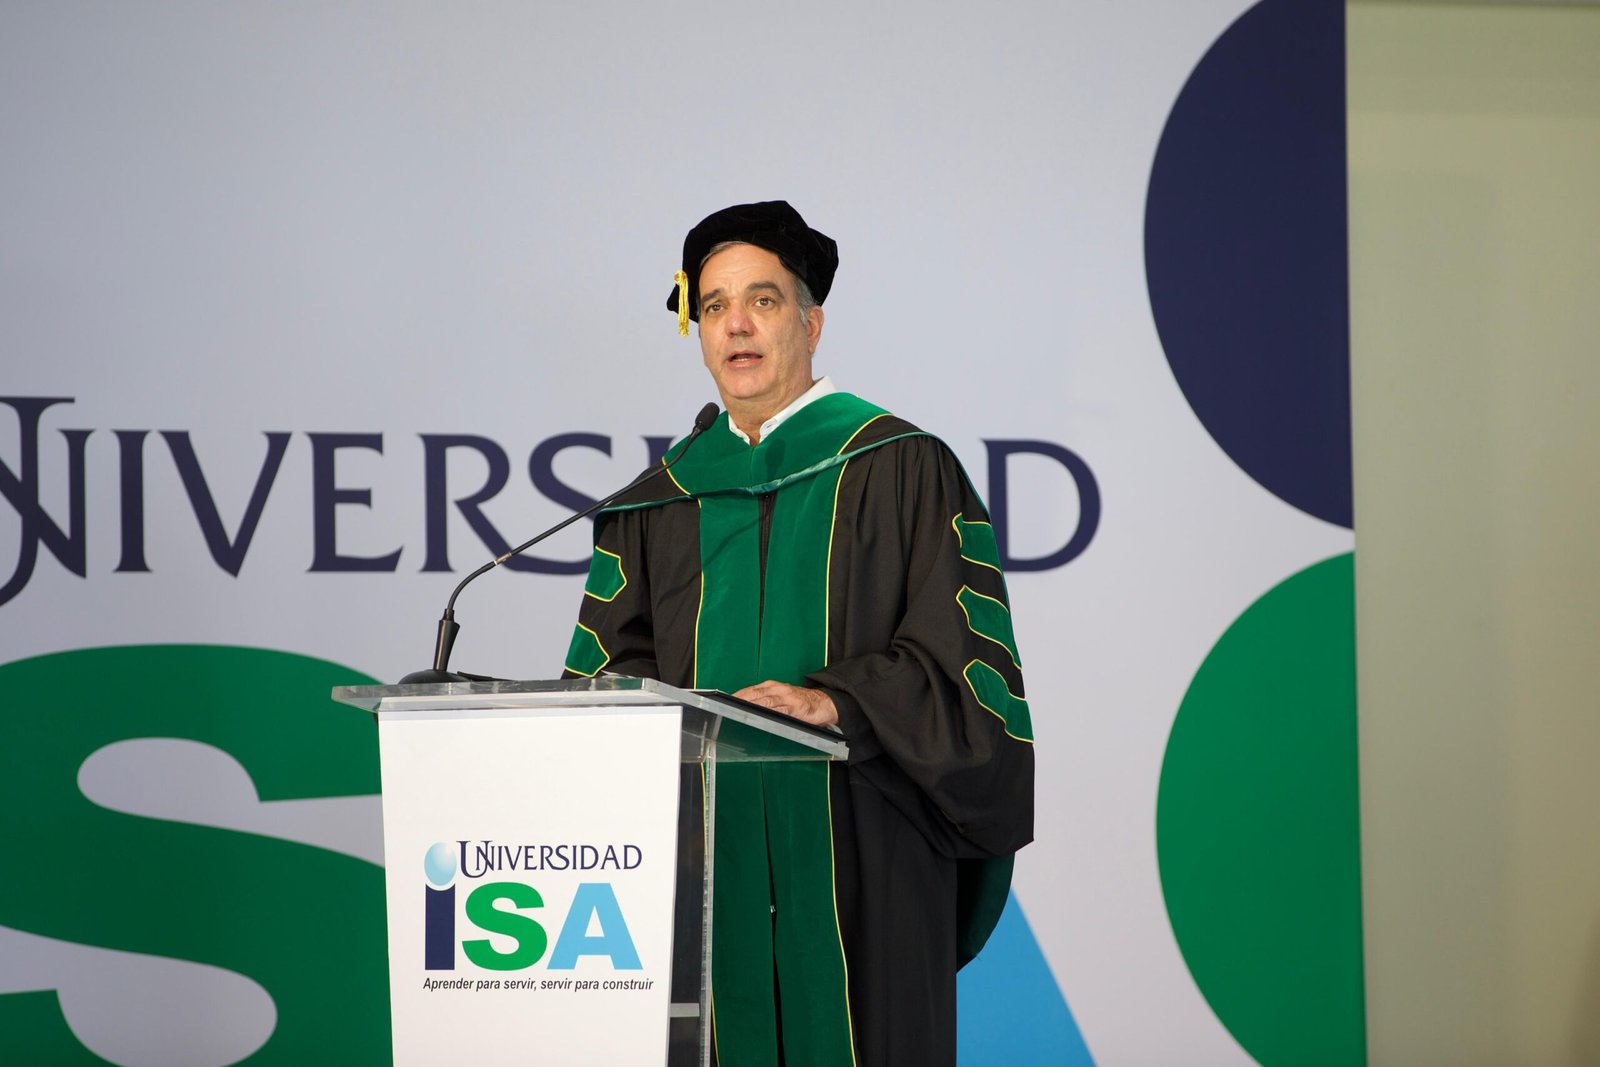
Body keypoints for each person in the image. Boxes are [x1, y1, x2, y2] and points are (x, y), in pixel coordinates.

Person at [564, 200, 1034, 1066]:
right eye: (714, 305)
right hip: (701, 878)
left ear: (811, 324)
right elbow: (603, 689)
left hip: (865, 862)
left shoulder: (902, 466)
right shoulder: (656, 503)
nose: (736, 324)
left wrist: (836, 701)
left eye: (763, 300)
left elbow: (963, 672)